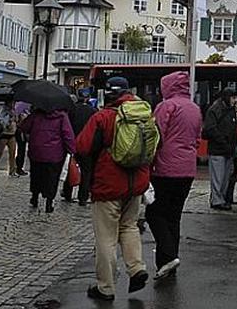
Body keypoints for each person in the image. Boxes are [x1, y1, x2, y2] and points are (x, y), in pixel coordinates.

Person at [76, 76, 150, 301]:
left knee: (106, 237)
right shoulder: (144, 115)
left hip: (108, 184)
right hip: (135, 183)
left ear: (107, 94)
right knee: (129, 227)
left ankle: (105, 287)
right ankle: (136, 267)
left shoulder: (103, 117)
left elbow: (82, 147)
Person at [146, 71, 202, 281]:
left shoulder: (166, 106)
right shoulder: (195, 108)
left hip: (165, 168)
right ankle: (168, 263)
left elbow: (156, 136)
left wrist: (149, 163)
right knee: (173, 216)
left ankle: (168, 256)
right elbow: (197, 139)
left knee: (155, 213)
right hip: (187, 169)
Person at [21, 105, 75, 213]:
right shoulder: (62, 117)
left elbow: (24, 127)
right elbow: (67, 134)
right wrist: (71, 149)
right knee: (52, 177)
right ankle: (49, 202)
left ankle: (35, 197)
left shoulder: (36, 115)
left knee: (36, 175)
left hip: (36, 151)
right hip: (55, 153)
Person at [202, 89, 237, 211]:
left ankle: (220, 199)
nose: (235, 100)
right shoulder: (215, 110)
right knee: (218, 177)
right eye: (233, 98)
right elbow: (211, 129)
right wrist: (223, 142)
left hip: (227, 149)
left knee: (224, 177)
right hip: (217, 149)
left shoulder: (230, 110)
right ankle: (217, 200)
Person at [63, 90, 96, 205]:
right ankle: (83, 197)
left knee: (71, 168)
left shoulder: (72, 110)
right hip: (87, 144)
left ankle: (67, 193)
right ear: (88, 98)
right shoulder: (93, 111)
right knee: (86, 172)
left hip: (72, 143)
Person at [0, 101, 18, 176]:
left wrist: (15, 118)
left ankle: (12, 170)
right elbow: (1, 121)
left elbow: (16, 120)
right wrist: (8, 119)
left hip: (12, 134)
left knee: (12, 153)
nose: (12, 104)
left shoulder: (14, 110)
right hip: (4, 134)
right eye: (11, 103)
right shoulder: (3, 110)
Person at [14, 102, 30, 177]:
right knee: (21, 149)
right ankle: (18, 167)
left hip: (22, 130)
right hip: (21, 131)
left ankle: (19, 167)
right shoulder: (22, 106)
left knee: (21, 149)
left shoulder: (21, 106)